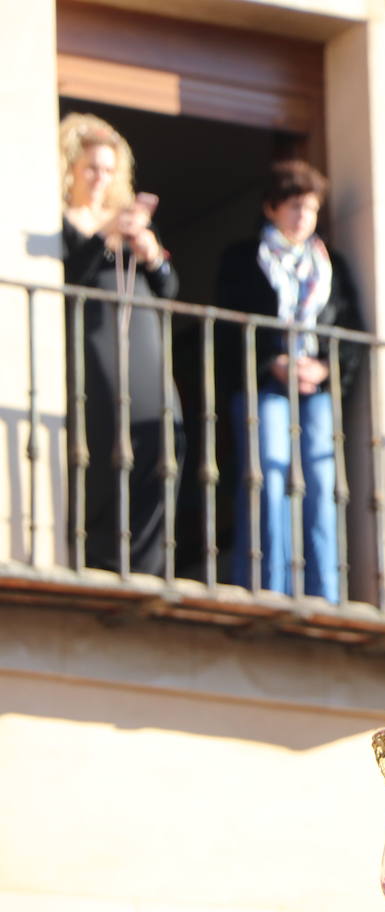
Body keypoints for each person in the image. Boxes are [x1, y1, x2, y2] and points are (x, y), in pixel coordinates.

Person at [215, 160, 364, 603]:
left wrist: (325, 370)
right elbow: (227, 327)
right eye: (295, 206)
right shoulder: (242, 260)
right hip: (265, 386)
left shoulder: (330, 264)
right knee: (269, 475)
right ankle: (267, 586)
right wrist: (271, 362)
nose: (303, 217)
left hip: (315, 391)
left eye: (311, 209)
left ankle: (326, 593)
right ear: (272, 208)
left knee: (321, 482)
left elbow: (351, 330)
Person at [59, 112, 183, 576]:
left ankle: (149, 562)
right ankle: (103, 557)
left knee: (165, 436)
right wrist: (105, 238)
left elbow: (170, 288)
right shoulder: (67, 220)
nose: (100, 178)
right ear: (73, 168)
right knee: (111, 434)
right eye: (92, 168)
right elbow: (71, 276)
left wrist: (150, 253)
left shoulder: (125, 221)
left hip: (144, 338)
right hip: (98, 336)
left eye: (109, 170)